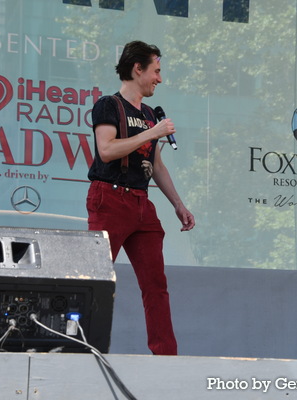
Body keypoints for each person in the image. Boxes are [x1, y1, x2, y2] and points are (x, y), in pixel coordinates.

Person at [86, 41, 195, 355]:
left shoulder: (149, 114)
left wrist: (178, 204)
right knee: (95, 280)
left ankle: (165, 356)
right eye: (156, 71)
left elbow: (156, 165)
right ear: (138, 69)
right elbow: (106, 151)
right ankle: (80, 348)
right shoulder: (109, 104)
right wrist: (152, 132)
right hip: (109, 198)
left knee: (156, 286)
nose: (159, 78)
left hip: (140, 203)